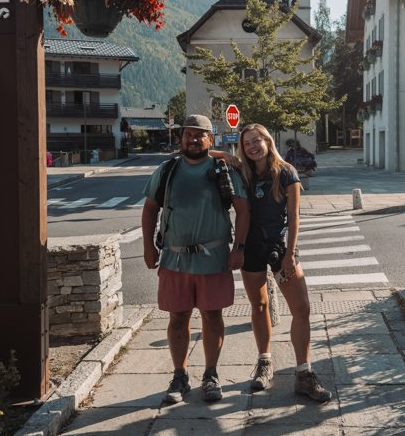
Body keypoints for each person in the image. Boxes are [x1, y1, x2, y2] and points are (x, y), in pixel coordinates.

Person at [141, 114, 249, 404]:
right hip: (174, 259)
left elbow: (243, 209)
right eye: (188, 134)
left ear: (209, 139)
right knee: (177, 319)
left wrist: (239, 246)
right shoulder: (167, 170)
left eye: (199, 134)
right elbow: (150, 208)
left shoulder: (222, 170)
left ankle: (211, 374)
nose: (193, 138)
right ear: (181, 138)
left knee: (213, 316)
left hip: (213, 257)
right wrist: (148, 247)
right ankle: (180, 376)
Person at [238, 123, 332, 402]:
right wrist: (226, 154)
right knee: (259, 305)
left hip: (280, 248)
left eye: (257, 140)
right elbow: (215, 155)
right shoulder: (242, 173)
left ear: (268, 141)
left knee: (301, 308)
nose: (253, 146)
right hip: (251, 248)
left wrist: (290, 254)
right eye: (246, 143)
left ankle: (304, 373)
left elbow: (294, 217)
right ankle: (265, 363)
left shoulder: (286, 172)